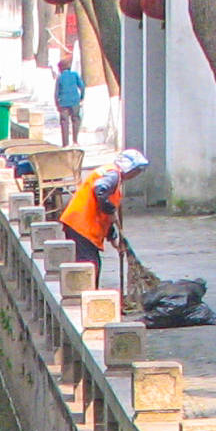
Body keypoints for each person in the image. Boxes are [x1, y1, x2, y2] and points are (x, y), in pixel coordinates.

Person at [60, 149, 150, 286]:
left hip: (84, 225)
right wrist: (111, 209)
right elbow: (100, 191)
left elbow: (104, 212)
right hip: (80, 224)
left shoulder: (114, 176)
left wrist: (112, 236)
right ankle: (87, 297)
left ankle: (90, 295)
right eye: (137, 170)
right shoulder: (113, 175)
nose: (136, 174)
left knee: (93, 263)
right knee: (89, 264)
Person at [54, 52, 85, 148]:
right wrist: (81, 98)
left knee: (64, 122)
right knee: (75, 120)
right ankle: (75, 141)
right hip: (75, 101)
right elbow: (82, 87)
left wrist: (57, 104)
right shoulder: (75, 75)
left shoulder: (60, 78)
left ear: (60, 68)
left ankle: (65, 143)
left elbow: (56, 93)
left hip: (63, 103)